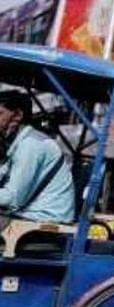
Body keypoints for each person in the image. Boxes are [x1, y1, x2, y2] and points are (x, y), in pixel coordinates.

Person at [0, 91, 74, 224]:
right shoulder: (18, 143)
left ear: (17, 115)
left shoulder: (31, 145)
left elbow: (13, 198)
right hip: (29, 213)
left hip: (44, 218)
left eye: (0, 113)